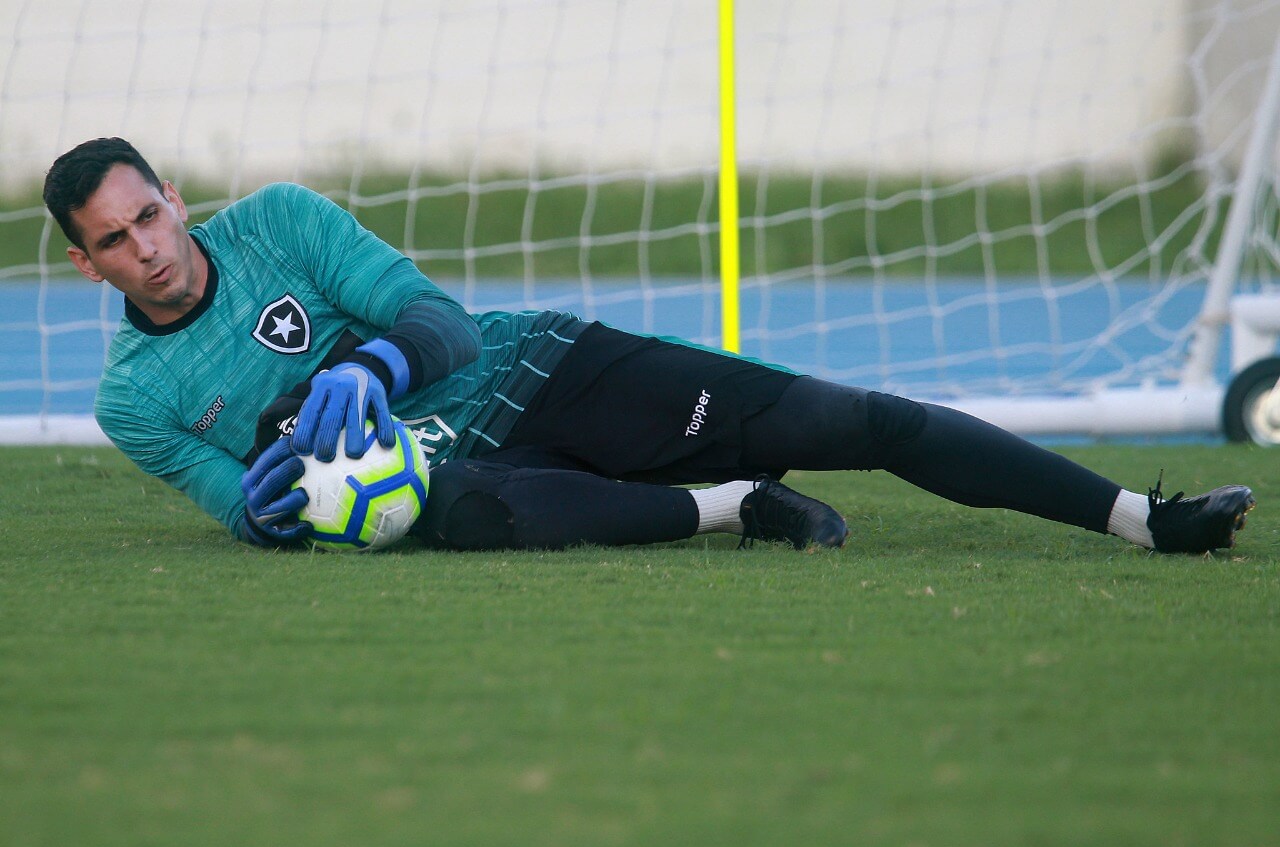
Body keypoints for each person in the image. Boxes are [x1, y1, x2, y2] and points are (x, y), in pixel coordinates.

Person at [43, 137, 1254, 554]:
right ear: (85, 263)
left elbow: (441, 321)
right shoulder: (134, 397)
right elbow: (239, 513)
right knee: (457, 512)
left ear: (175, 198)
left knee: (851, 421)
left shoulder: (282, 220)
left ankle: (1143, 522)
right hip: (442, 470)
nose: (146, 247)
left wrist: (365, 367)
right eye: (114, 240)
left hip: (534, 365)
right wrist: (264, 508)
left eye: (150, 213)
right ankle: (733, 508)